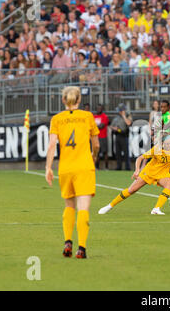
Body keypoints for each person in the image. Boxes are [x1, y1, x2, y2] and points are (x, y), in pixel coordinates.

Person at [45, 86, 100, 259]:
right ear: (79, 101)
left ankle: (67, 241)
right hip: (84, 166)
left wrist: (48, 167)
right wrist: (93, 156)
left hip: (65, 168)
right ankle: (81, 248)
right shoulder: (87, 116)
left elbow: (52, 145)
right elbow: (96, 144)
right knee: (83, 208)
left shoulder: (57, 119)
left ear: (63, 100)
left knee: (69, 206)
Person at [98, 134, 170, 216]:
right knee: (131, 190)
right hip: (149, 172)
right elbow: (140, 158)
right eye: (166, 144)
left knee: (169, 185)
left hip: (163, 173)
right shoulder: (156, 149)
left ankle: (156, 209)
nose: (169, 145)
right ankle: (109, 206)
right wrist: (137, 170)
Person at [110, 103, 133, 171]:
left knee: (126, 152)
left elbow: (128, 123)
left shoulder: (128, 116)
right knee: (118, 152)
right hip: (117, 135)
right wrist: (115, 128)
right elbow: (111, 126)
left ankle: (127, 167)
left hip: (124, 135)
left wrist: (124, 116)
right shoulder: (116, 118)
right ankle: (118, 166)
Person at [94, 104, 110, 170]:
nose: (99, 110)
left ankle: (106, 167)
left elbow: (102, 126)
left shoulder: (104, 116)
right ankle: (96, 167)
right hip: (95, 137)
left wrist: (94, 127)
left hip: (103, 137)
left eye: (100, 108)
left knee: (104, 152)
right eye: (98, 108)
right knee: (96, 153)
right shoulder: (94, 116)